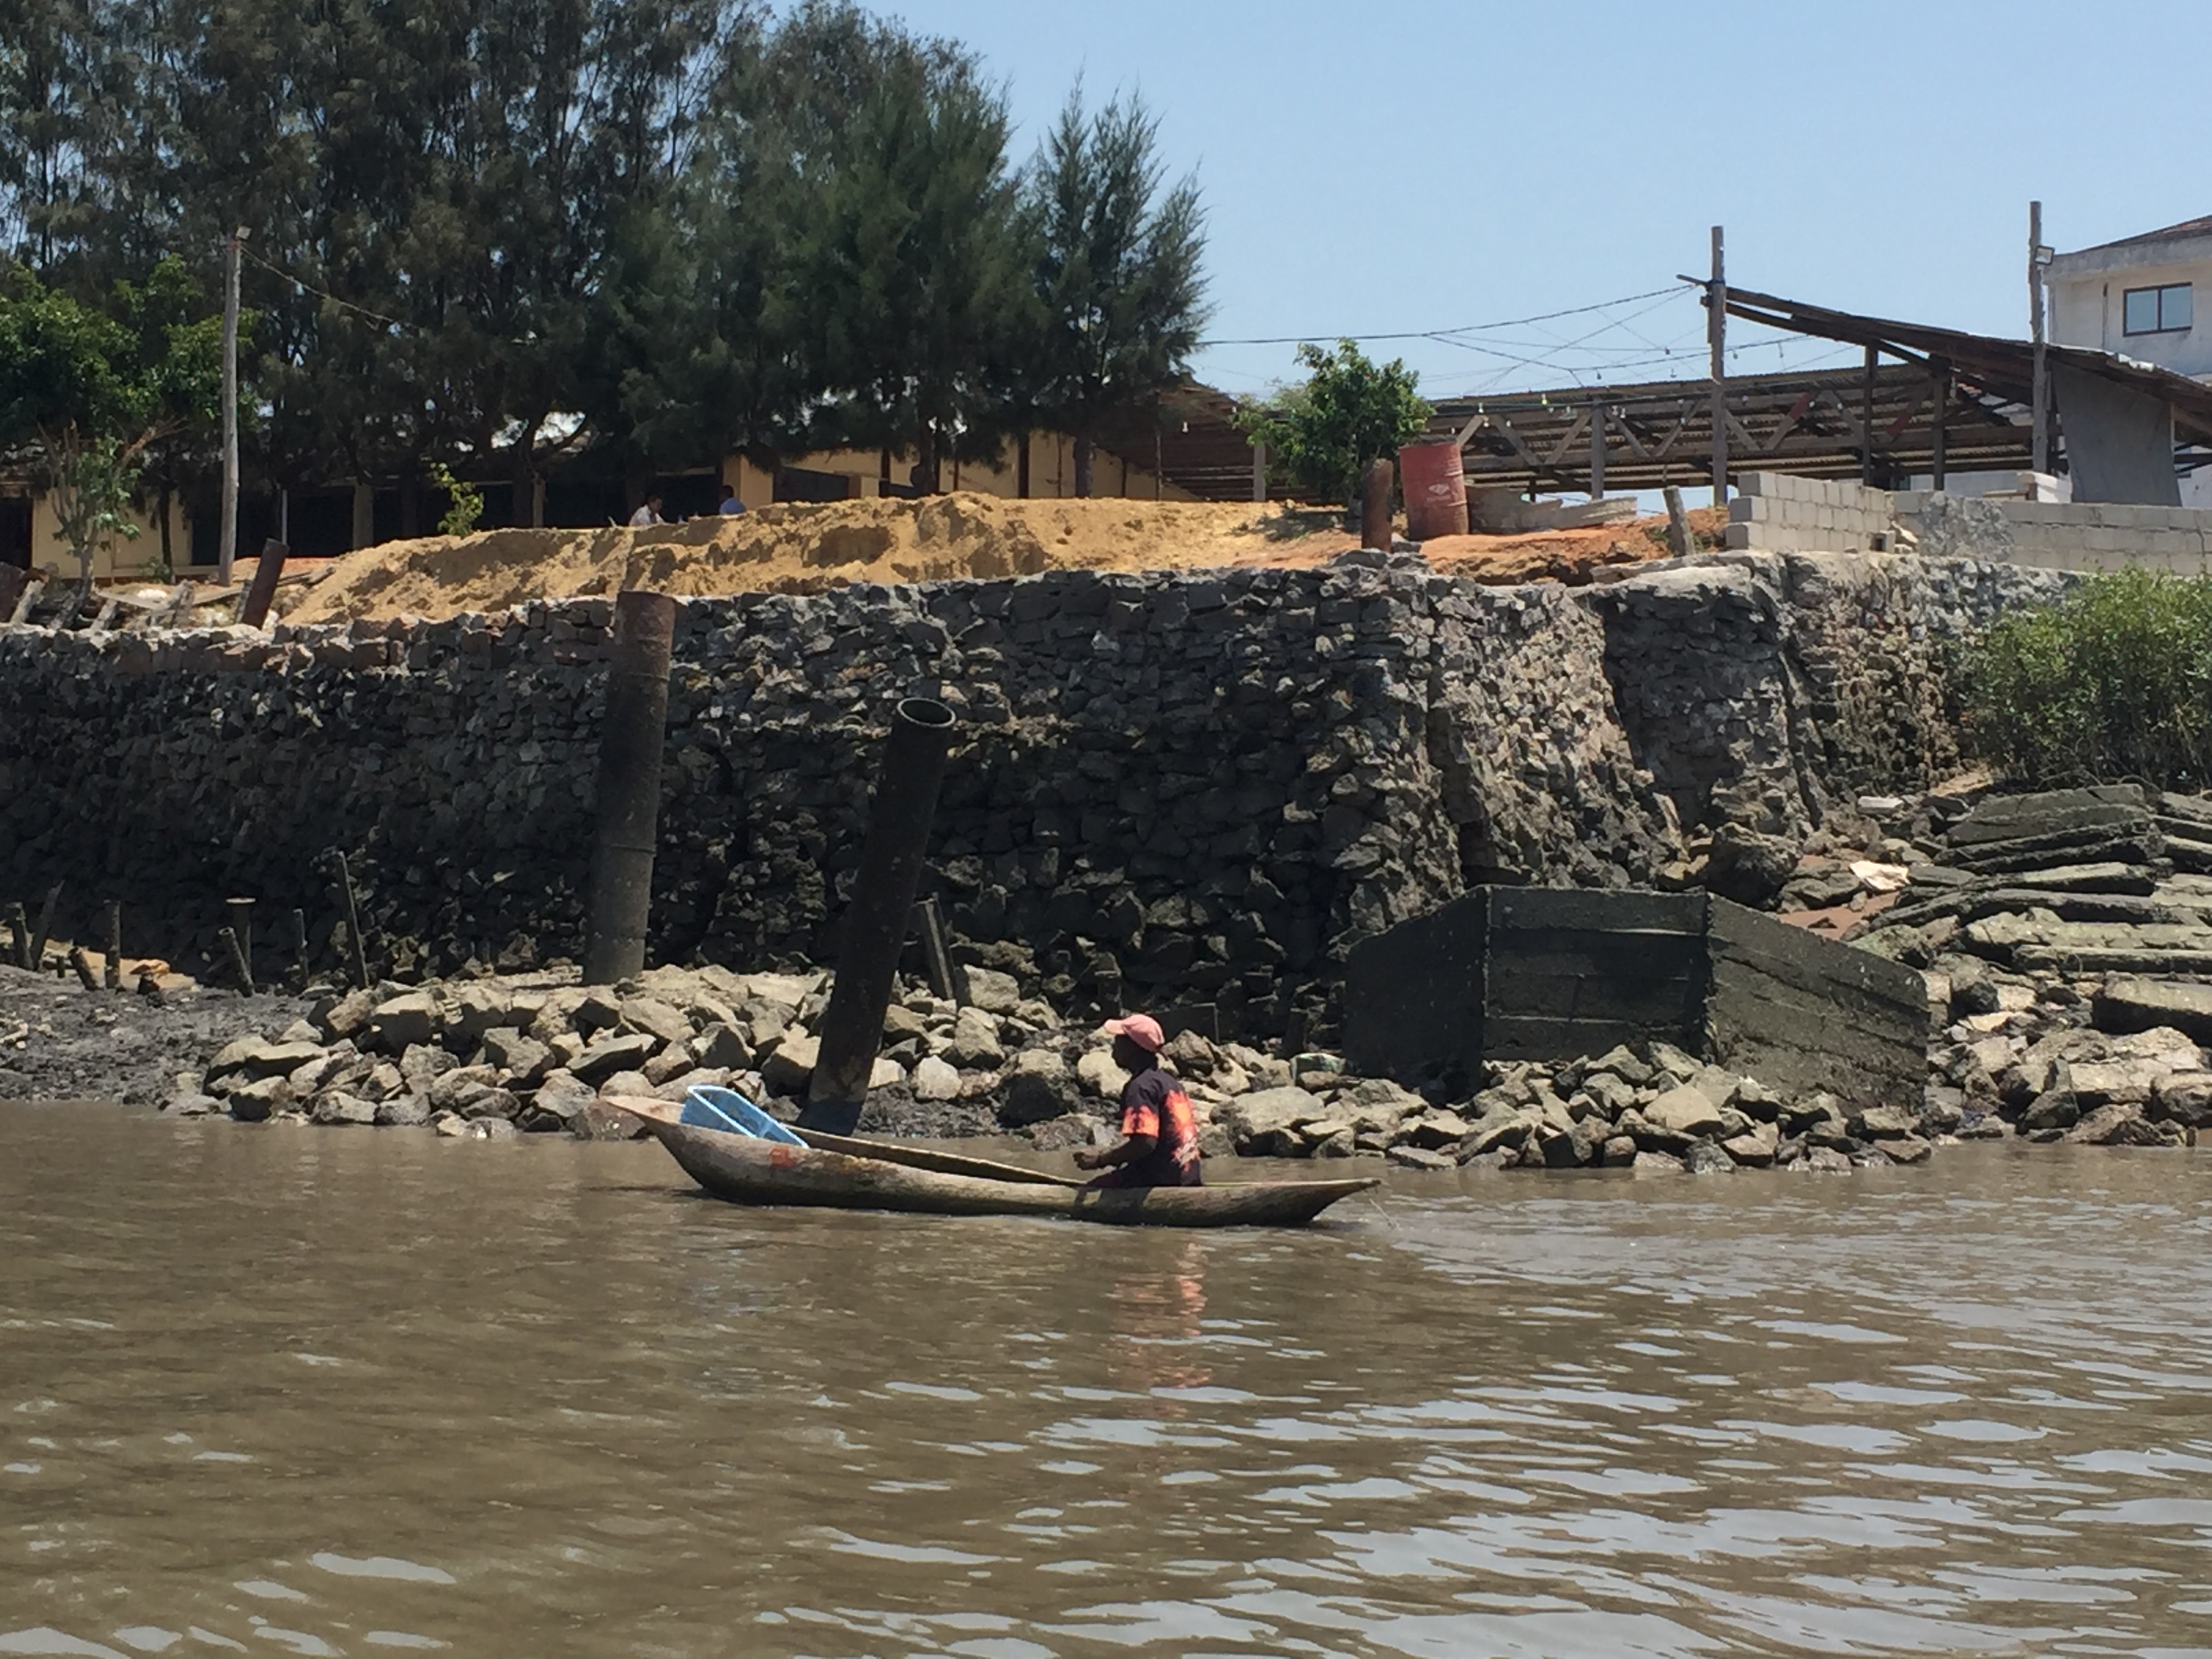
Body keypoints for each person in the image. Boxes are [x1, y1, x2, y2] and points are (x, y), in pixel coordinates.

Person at [1073, 1013, 1202, 1188]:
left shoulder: (1140, 1087)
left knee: (1088, 1193)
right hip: (1187, 1177)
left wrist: (1100, 1160)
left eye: (1119, 1039)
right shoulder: (1171, 1083)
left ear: (1132, 1047)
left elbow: (1145, 1144)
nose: (1114, 1045)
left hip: (1159, 1180)